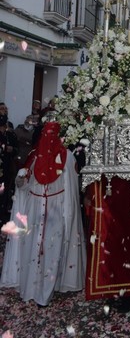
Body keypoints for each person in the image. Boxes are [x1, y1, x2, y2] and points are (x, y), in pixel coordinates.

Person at [0, 121, 86, 306]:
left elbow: (71, 189)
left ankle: (45, 293)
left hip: (56, 208)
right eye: (46, 134)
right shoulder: (34, 156)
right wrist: (21, 180)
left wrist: (68, 214)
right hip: (34, 208)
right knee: (32, 248)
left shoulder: (68, 157)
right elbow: (24, 186)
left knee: (52, 250)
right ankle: (31, 288)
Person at [0, 109, 18, 225]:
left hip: (6, 168)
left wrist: (12, 149)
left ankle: (3, 215)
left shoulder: (10, 135)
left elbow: (16, 149)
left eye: (3, 126)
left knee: (5, 193)